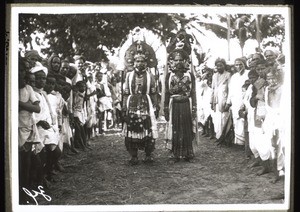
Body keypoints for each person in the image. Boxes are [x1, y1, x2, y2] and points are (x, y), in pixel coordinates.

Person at [122, 41, 159, 165]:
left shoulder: (150, 76)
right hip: (132, 103)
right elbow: (125, 93)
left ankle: (148, 155)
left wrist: (155, 106)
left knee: (147, 127)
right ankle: (134, 156)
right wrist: (123, 106)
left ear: (146, 62)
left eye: (142, 61)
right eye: (137, 61)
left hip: (146, 104)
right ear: (133, 62)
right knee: (132, 127)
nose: (140, 63)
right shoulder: (128, 76)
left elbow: (154, 92)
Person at [164, 49, 197, 162]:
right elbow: (166, 93)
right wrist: (165, 108)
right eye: (176, 60)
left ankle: (188, 153)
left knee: (187, 127)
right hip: (174, 105)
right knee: (175, 128)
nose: (179, 62)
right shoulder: (169, 75)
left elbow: (193, 92)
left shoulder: (190, 75)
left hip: (186, 104)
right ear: (172, 61)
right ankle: (175, 153)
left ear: (185, 61)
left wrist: (194, 108)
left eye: (181, 60)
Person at [18, 57, 41, 203]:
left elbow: (37, 108)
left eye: (23, 71)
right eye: (19, 71)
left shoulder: (28, 89)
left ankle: (25, 194)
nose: (22, 74)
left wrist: (20, 104)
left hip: (26, 130)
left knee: (26, 163)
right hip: (14, 129)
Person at [225, 57, 250, 145]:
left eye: (240, 64)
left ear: (244, 64)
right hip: (235, 101)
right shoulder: (234, 77)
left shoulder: (248, 74)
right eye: (236, 65)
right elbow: (230, 91)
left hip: (245, 100)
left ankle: (247, 143)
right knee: (237, 120)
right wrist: (228, 102)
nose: (238, 66)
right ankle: (240, 142)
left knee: (244, 120)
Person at [210, 58, 232, 144]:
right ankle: (218, 137)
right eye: (217, 66)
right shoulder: (214, 76)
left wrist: (228, 102)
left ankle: (224, 138)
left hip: (224, 99)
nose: (219, 67)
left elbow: (230, 89)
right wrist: (211, 101)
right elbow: (213, 89)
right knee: (216, 120)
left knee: (224, 119)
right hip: (216, 100)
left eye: (221, 65)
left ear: (224, 66)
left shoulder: (228, 75)